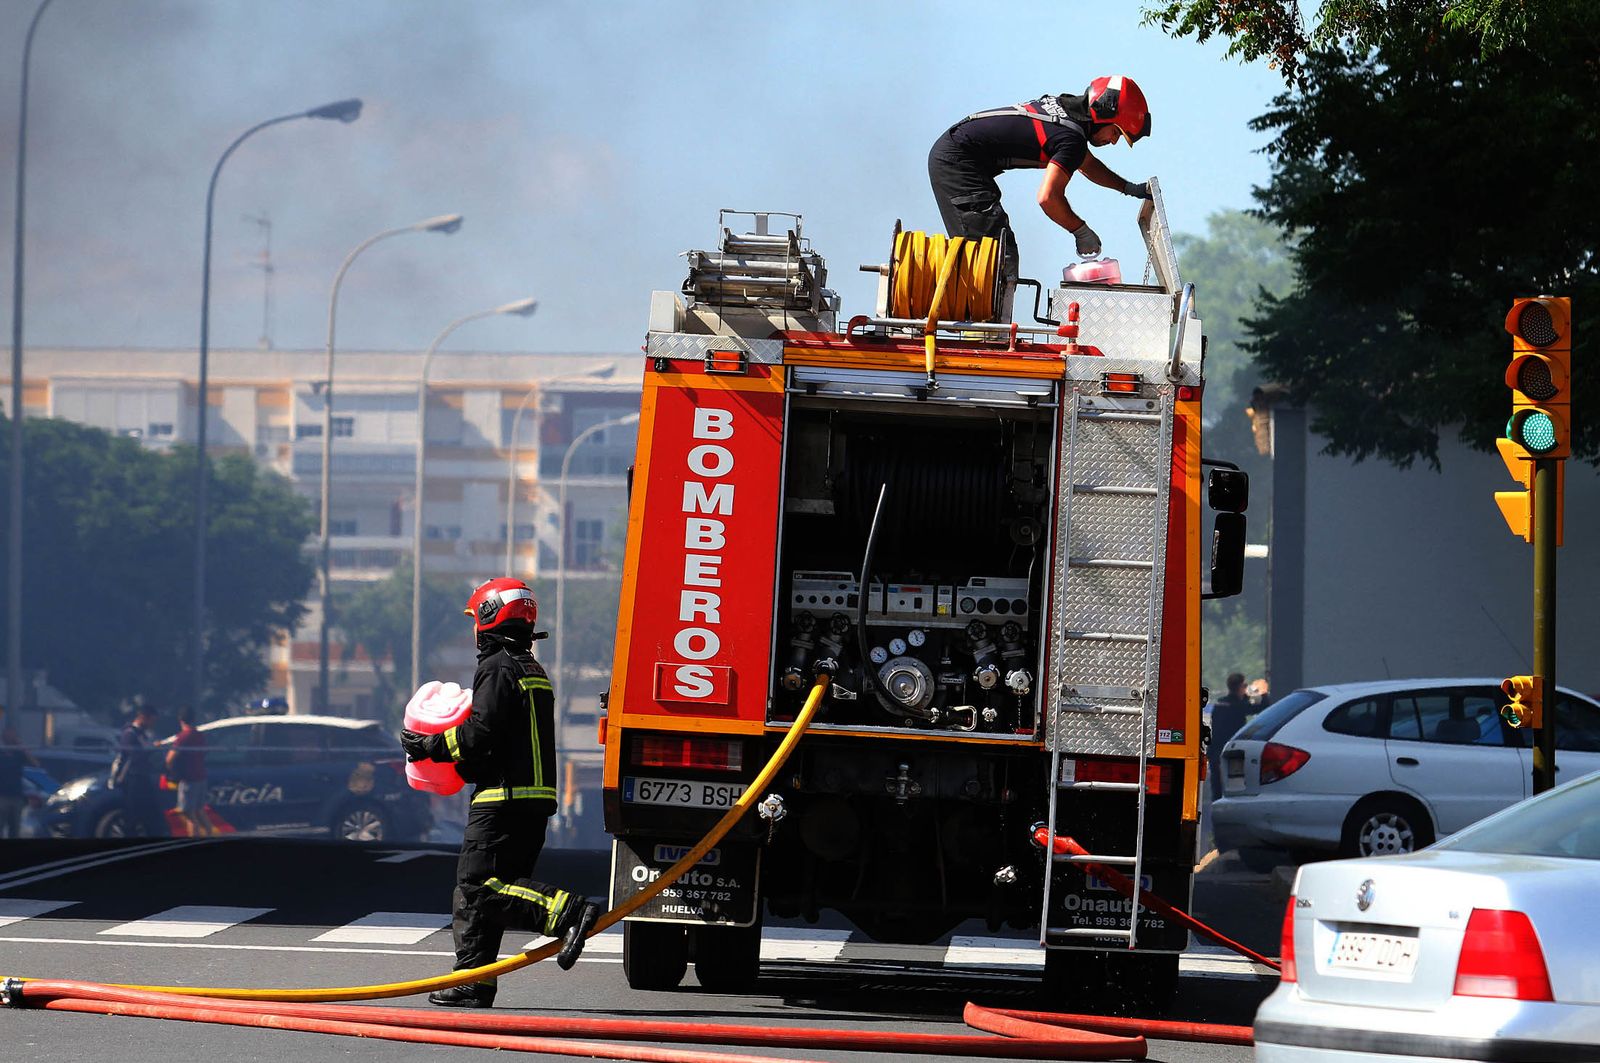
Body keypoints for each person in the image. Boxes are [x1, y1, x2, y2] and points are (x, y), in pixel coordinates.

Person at [401, 577, 602, 1008]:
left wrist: (429, 746)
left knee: (477, 887)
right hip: (530, 802)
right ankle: (474, 980)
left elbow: (481, 734)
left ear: (490, 618)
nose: (474, 629)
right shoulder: (530, 668)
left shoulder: (496, 667)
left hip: (503, 800)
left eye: (476, 619)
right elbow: (502, 740)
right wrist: (463, 765)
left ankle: (566, 911)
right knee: (491, 889)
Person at [928, 75, 1153, 316]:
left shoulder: (1067, 114)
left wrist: (1128, 188)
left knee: (992, 253)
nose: (1114, 141)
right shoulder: (1071, 140)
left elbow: (1086, 164)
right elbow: (1048, 198)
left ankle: (982, 321)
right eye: (1116, 132)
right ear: (1103, 113)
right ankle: (984, 329)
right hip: (957, 163)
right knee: (995, 258)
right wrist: (1080, 230)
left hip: (955, 155)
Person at [110, 705, 165, 837]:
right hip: (132, 780)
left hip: (141, 778)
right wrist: (152, 749)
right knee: (133, 815)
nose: (152, 724)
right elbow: (135, 756)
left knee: (150, 814)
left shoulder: (140, 734)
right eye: (151, 720)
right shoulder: (130, 734)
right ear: (143, 717)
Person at [165, 706, 211, 837]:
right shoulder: (199, 735)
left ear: (180, 719)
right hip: (201, 776)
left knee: (188, 813)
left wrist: (171, 771)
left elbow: (169, 759)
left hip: (189, 779)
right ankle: (209, 834)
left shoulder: (183, 737)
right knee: (199, 810)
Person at [1208, 672, 1253, 800]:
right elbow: (1260, 707)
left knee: (1216, 785)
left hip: (1216, 749)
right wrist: (1264, 693)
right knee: (1236, 784)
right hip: (1234, 749)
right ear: (1240, 687)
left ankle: (1217, 804)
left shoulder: (1221, 704)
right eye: (1244, 685)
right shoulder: (1240, 706)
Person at [0, 704, 41, 839]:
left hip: (16, 796)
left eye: (13, 734)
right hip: (2, 796)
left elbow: (35, 764)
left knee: (15, 828)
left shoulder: (19, 753)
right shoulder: (1, 752)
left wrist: (21, 746)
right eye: (8, 734)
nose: (10, 736)